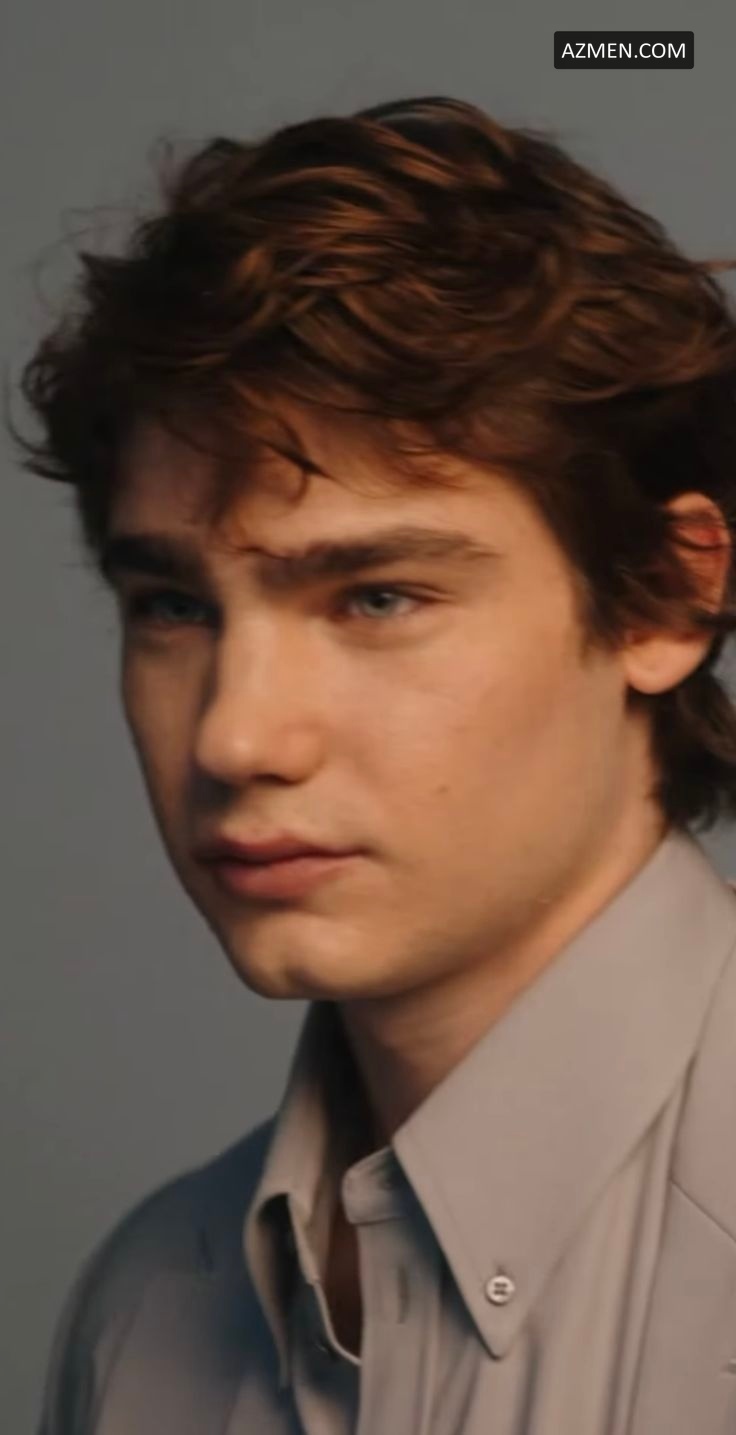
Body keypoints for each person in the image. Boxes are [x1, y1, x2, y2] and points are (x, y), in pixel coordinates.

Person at [14, 94, 736, 1435]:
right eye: (172, 606)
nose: (234, 738)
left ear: (663, 600)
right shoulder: (145, 1313)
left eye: (378, 597)